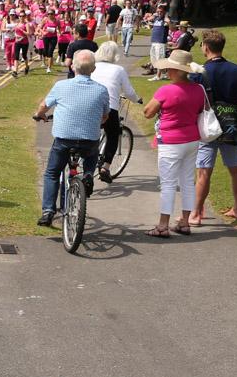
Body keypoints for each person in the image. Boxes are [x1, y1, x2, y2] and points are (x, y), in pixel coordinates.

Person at [34, 51, 109, 227]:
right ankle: (89, 174)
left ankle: (48, 211)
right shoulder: (101, 90)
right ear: (94, 69)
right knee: (91, 153)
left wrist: (39, 115)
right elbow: (105, 116)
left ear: (72, 66)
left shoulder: (61, 86)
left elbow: (44, 106)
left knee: (52, 173)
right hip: (89, 139)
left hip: (64, 139)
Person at [143, 49, 207, 237]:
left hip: (171, 140)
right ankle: (185, 222)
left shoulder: (166, 90)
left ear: (174, 70)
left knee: (168, 183)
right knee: (187, 181)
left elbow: (148, 112)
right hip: (192, 138)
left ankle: (163, 225)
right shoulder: (198, 89)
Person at [192, 30, 237, 225]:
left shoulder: (200, 72)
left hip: (209, 125)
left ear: (206, 47)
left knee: (204, 171)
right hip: (231, 123)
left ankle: (197, 213)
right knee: (235, 168)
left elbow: (195, 101)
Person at [91, 41, 141, 183]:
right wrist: (137, 99)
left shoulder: (93, 66)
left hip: (90, 105)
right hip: (109, 107)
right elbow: (129, 92)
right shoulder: (118, 70)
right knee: (113, 133)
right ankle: (105, 167)